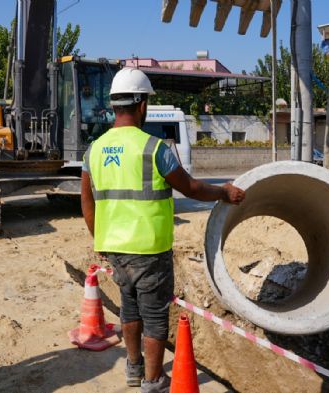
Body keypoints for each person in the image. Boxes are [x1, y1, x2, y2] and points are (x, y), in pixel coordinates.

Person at [80, 68, 245, 393]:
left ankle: (133, 369)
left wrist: (99, 238)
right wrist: (224, 192)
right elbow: (192, 188)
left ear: (114, 105)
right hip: (150, 252)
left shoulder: (93, 151)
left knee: (129, 308)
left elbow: (88, 204)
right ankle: (153, 382)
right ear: (142, 104)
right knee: (155, 318)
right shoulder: (155, 149)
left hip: (116, 250)